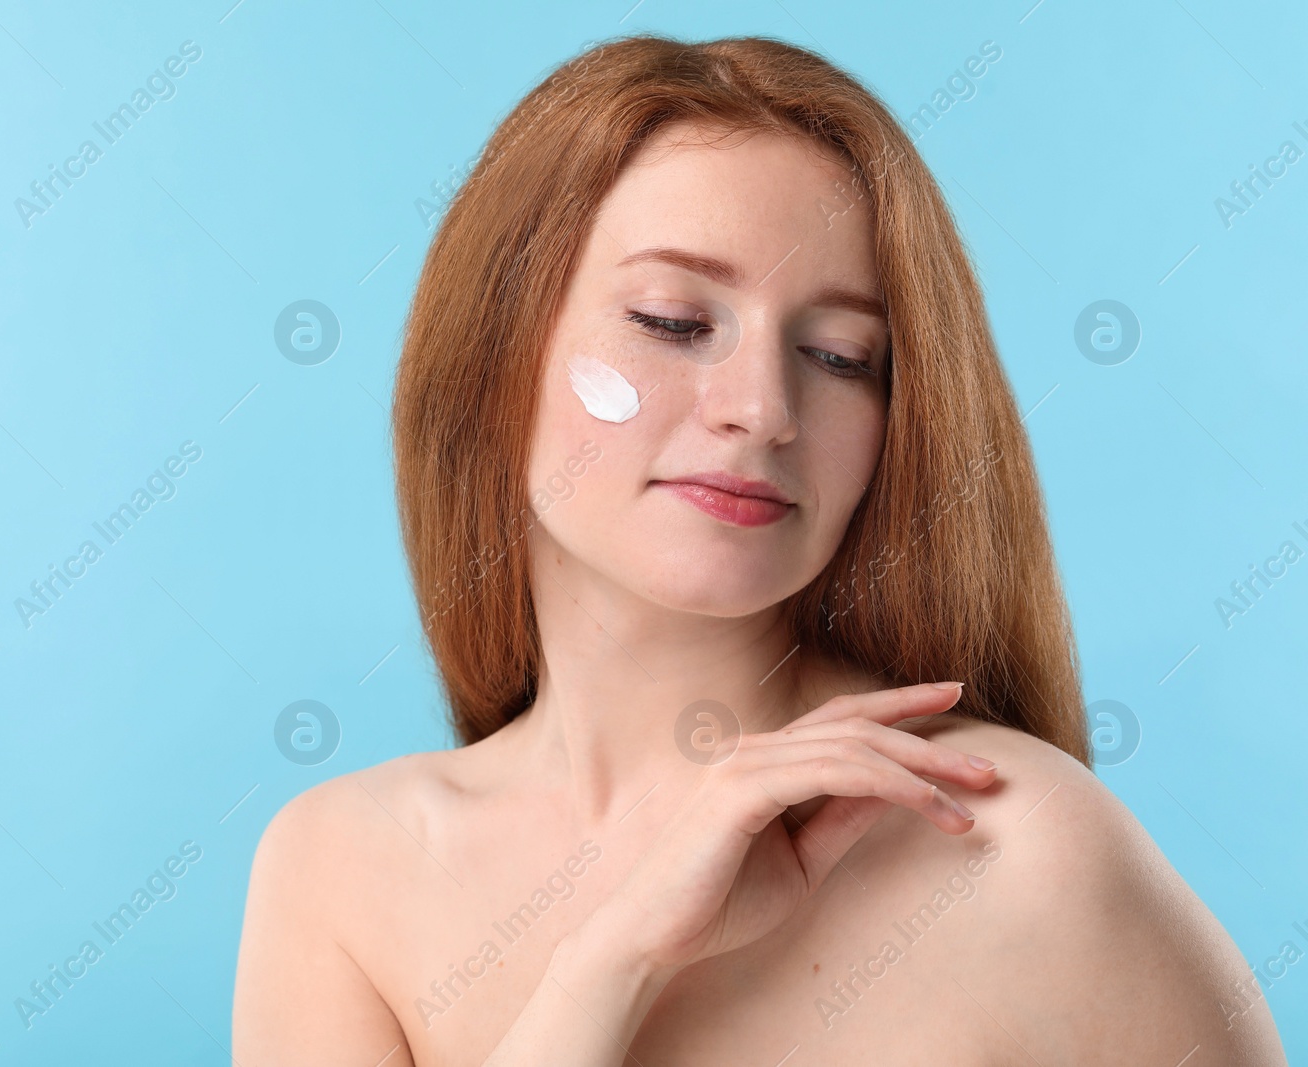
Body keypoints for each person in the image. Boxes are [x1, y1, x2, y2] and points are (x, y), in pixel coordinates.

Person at [232, 34, 1288, 1065]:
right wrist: (613, 961)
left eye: (838, 355)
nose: (760, 409)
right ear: (494, 347)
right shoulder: (342, 867)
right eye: (672, 319)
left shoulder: (1019, 848)